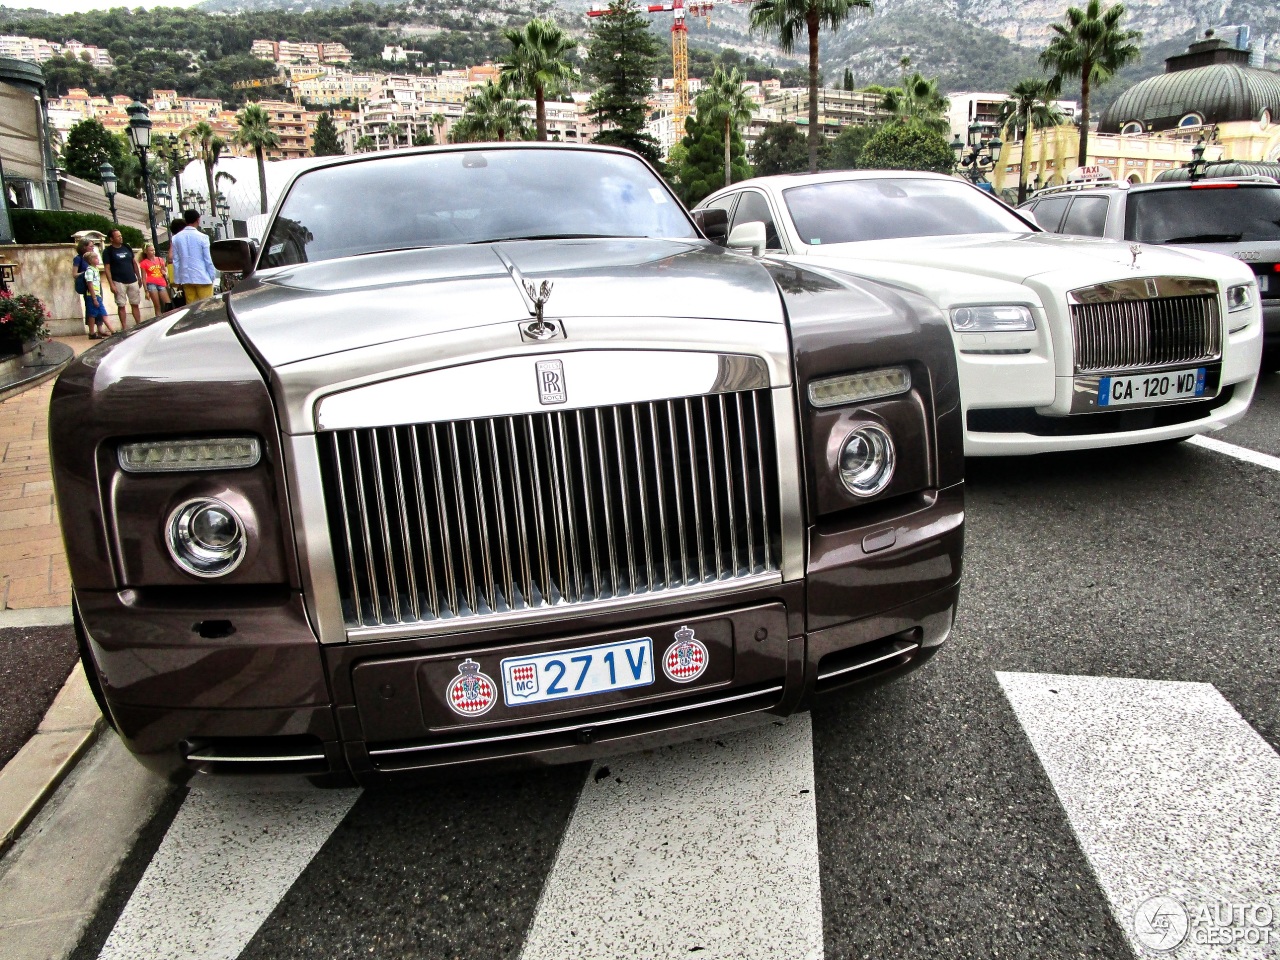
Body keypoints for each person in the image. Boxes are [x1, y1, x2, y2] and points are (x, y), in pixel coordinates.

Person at [170, 209, 217, 304]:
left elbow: (176, 261)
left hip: (186, 278)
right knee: (206, 306)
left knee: (191, 307)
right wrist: (212, 276)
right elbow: (208, 259)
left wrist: (178, 280)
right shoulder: (203, 237)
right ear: (198, 220)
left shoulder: (176, 238)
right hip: (202, 277)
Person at [104, 229, 143, 329]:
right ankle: (124, 327)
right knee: (121, 305)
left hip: (132, 279)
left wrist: (138, 277)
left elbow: (133, 262)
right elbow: (107, 268)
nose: (120, 237)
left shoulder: (127, 247)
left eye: (120, 235)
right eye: (117, 236)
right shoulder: (108, 251)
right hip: (118, 281)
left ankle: (138, 324)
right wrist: (111, 284)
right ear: (112, 239)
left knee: (135, 303)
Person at [82, 249, 111, 339]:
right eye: (96, 258)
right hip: (92, 295)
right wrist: (94, 298)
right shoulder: (90, 270)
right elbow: (90, 284)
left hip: (96, 294)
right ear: (90, 260)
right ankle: (93, 332)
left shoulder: (95, 269)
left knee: (99, 313)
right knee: (94, 314)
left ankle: (94, 332)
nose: (98, 260)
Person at [72, 238, 96, 337]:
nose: (92, 248)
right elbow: (74, 274)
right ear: (84, 247)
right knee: (90, 307)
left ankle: (99, 328)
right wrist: (86, 272)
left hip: (96, 285)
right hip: (87, 286)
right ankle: (91, 331)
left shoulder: (92, 258)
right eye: (90, 246)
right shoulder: (79, 258)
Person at [139, 242, 170, 317]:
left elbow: (165, 271)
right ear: (146, 252)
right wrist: (146, 290)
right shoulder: (144, 263)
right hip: (151, 283)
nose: (153, 252)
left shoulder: (159, 259)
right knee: (157, 306)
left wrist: (165, 273)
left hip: (161, 282)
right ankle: (158, 319)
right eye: (151, 250)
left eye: (154, 250)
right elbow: (143, 277)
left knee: (168, 303)